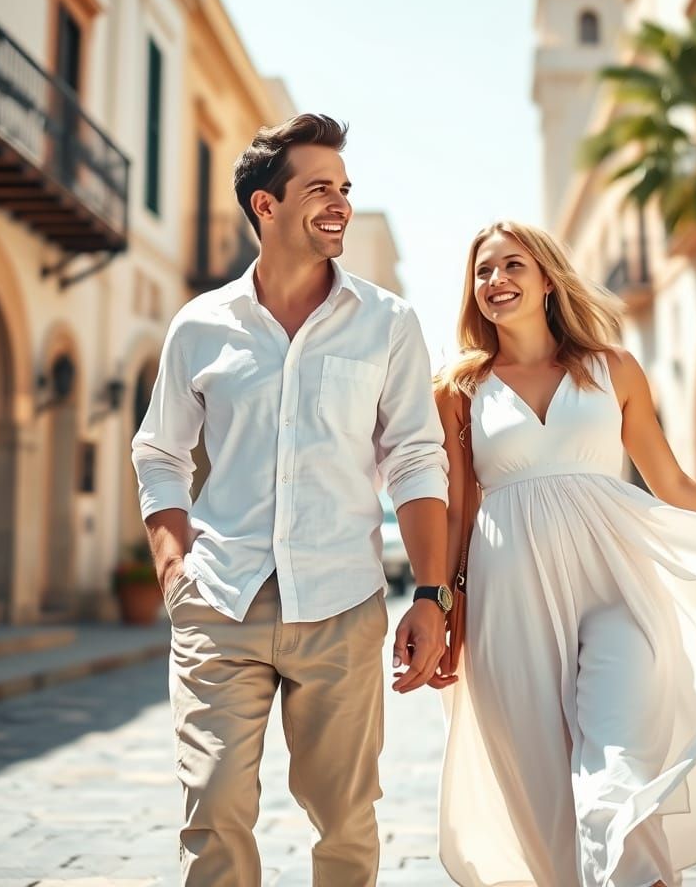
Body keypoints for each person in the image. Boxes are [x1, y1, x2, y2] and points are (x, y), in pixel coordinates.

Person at [434, 221, 696, 887]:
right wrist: (443, 607)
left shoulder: (612, 368)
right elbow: (459, 511)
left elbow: (672, 481)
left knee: (619, 774)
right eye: (483, 271)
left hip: (617, 587)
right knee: (545, 804)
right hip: (508, 600)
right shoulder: (459, 388)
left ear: (547, 279)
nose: (496, 281)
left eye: (512, 265)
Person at [131, 114, 450, 887]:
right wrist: (174, 574)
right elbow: (160, 454)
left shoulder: (388, 324)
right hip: (221, 601)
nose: (339, 204)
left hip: (341, 602)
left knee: (345, 818)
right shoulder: (201, 326)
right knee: (213, 810)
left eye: (344, 188)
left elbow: (415, 458)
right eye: (319, 189)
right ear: (266, 206)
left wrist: (432, 593)